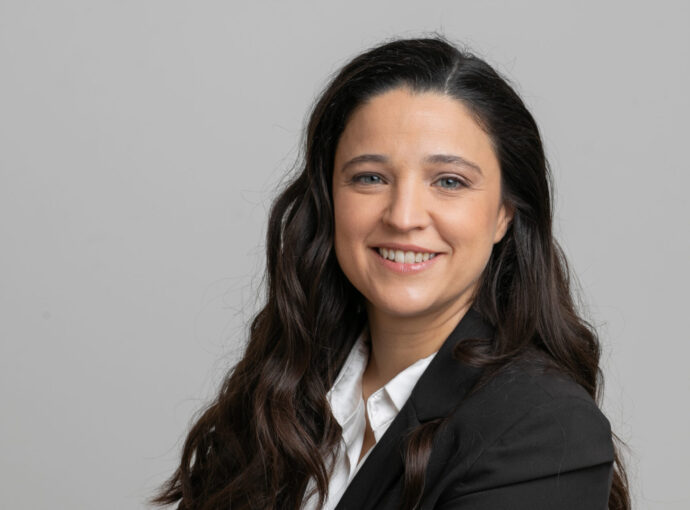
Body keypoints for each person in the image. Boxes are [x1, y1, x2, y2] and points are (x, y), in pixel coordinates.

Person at [152, 36, 630, 510]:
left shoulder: (545, 429)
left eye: (449, 181)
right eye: (370, 178)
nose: (403, 216)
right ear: (328, 198)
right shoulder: (281, 387)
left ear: (505, 213)